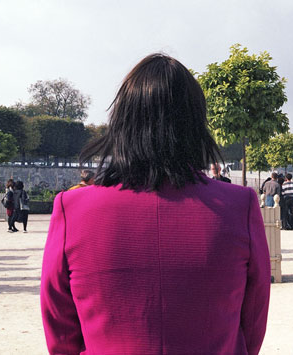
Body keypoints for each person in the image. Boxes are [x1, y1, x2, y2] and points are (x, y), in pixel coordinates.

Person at [40, 53, 269, 354]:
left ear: (122, 121)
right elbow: (252, 322)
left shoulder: (73, 207)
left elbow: (59, 324)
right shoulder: (239, 205)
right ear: (195, 123)